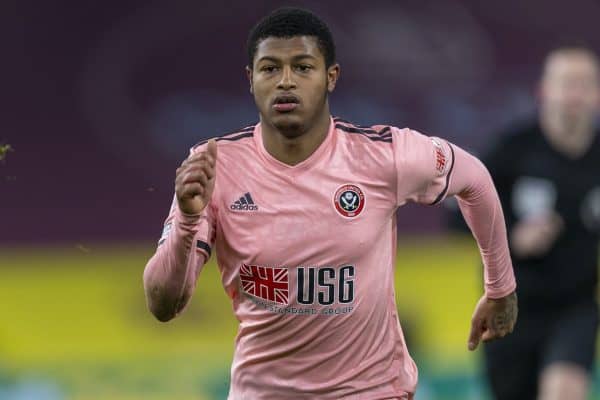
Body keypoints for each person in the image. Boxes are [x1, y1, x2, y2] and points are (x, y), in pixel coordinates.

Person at [143, 7, 517, 399]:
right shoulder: (214, 166)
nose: (286, 81)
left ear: (330, 77)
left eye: (302, 67)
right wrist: (187, 219)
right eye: (270, 68)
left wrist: (500, 288)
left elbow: (474, 179)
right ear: (250, 79)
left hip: (373, 391)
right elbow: (162, 304)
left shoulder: (382, 156)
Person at [479, 46, 600, 400]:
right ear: (544, 89)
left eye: (585, 83)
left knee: (563, 390)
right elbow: (457, 216)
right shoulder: (511, 151)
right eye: (566, 83)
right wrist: (512, 238)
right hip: (511, 307)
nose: (575, 93)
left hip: (575, 305)